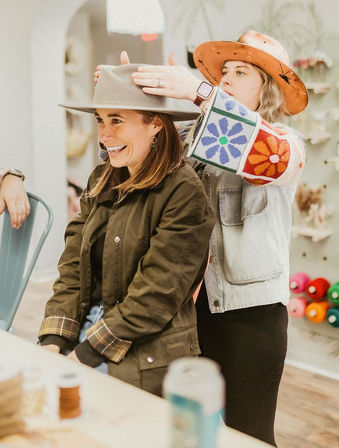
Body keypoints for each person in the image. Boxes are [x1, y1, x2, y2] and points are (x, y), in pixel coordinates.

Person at [96, 30, 307, 445]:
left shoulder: (288, 144)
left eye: (241, 71)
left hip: (251, 316)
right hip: (187, 310)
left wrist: (199, 92)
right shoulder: (193, 136)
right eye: (223, 71)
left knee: (249, 435)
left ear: (267, 90)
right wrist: (125, 104)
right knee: (192, 430)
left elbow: (264, 153)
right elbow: (127, 164)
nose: (226, 78)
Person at [38, 64, 215, 397]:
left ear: (155, 125)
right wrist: (53, 340)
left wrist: (82, 355)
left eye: (116, 120)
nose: (104, 134)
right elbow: (73, 269)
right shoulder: (100, 178)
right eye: (101, 120)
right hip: (87, 329)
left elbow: (155, 295)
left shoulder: (183, 191)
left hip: (144, 347)